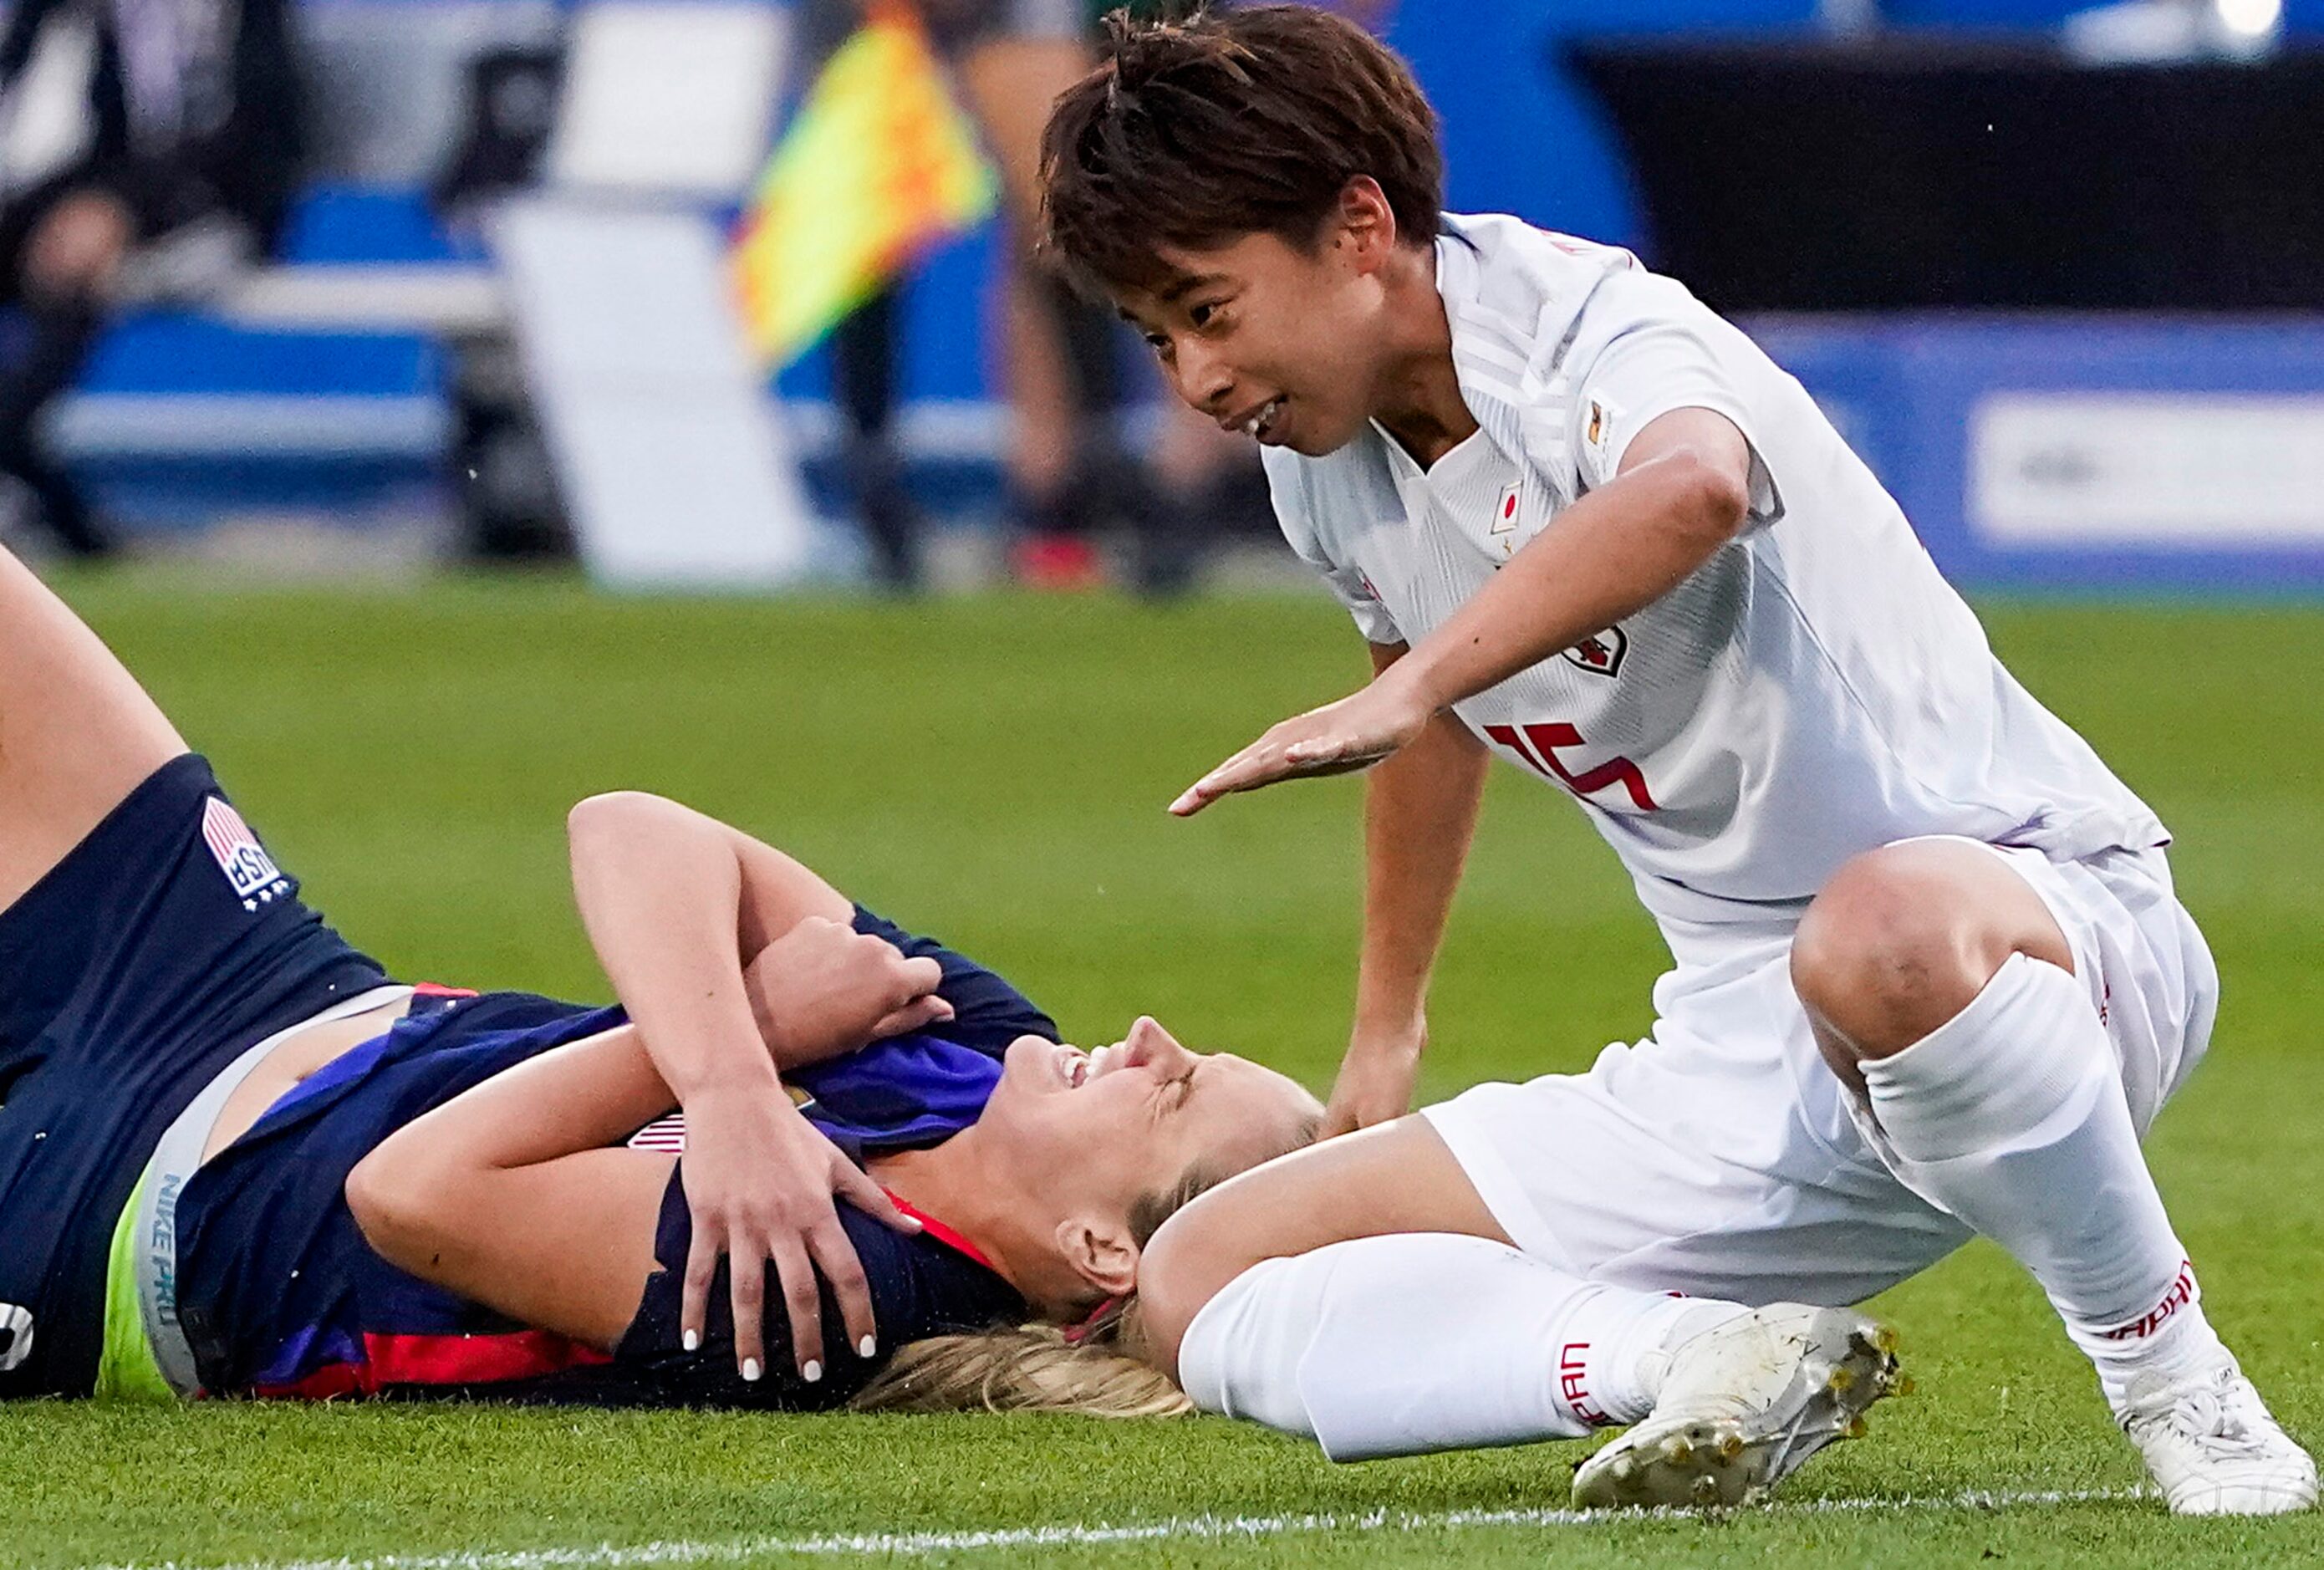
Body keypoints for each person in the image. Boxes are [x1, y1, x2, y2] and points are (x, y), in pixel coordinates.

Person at [1035, 5, 2315, 1514]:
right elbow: (1421, 712)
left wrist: (1424, 679)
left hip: (2041, 935)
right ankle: (1709, 1356)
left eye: (1208, 308)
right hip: (1739, 1044)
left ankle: (2178, 1383)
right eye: (1154, 337)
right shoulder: (1322, 464)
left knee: (1881, 931)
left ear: (1360, 226)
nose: (1191, 376)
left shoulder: (1598, 327)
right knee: (1206, 1267)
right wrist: (1382, 1037)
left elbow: (1692, 488)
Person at [0, 539, 1319, 1407]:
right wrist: (737, 1077)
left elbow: (408, 1190)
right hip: (266, 992)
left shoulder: (845, 1287)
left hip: (135, 1218)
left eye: (1171, 1090)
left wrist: (743, 1036)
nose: (1149, 1034)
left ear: (1101, 1249)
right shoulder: (975, 1044)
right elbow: (632, 828)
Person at [0, 0, 306, 558]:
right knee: (60, 250)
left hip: (211, 218)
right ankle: (37, 487)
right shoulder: (88, 22)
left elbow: (253, 139)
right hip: (99, 203)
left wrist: (118, 207)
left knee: (82, 279)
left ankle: (30, 480)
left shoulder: (233, 19)